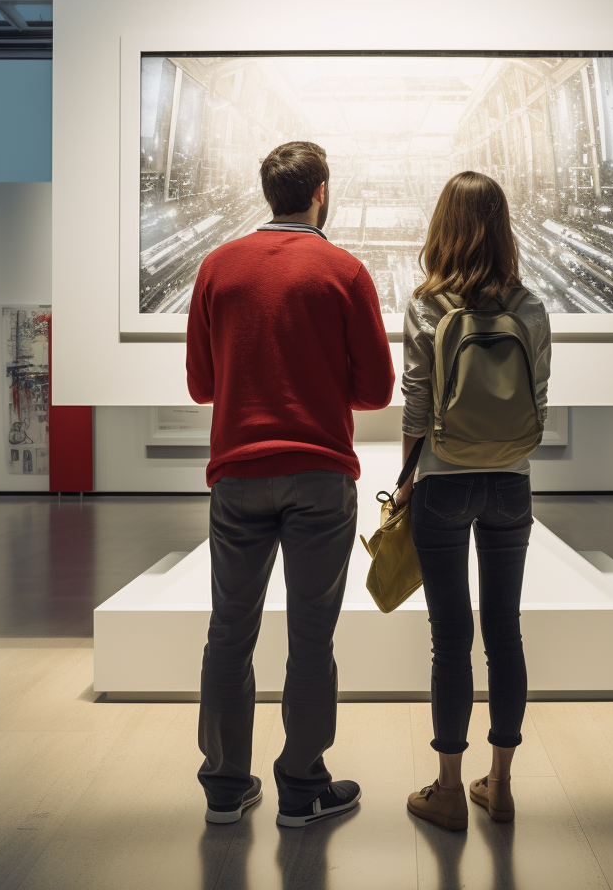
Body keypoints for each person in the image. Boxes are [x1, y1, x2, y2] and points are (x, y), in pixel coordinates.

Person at [186, 140, 394, 828]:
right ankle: (301, 791)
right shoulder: (344, 271)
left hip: (237, 476)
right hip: (320, 477)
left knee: (228, 634)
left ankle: (224, 787)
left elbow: (200, 385)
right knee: (311, 640)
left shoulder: (217, 268)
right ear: (321, 192)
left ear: (266, 192)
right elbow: (376, 388)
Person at [398, 171, 551, 831]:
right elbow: (538, 396)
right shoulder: (531, 306)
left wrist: (407, 477)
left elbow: (417, 400)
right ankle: (504, 785)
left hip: (443, 477)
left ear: (444, 227)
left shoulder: (426, 304)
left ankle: (450, 789)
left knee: (450, 639)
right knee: (505, 631)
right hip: (511, 481)